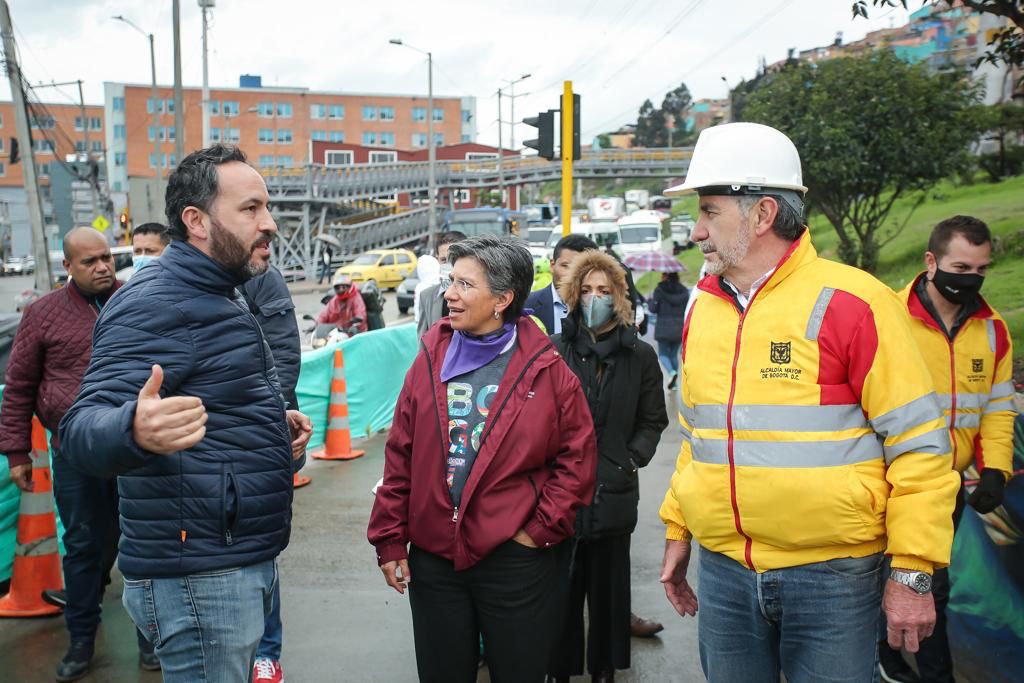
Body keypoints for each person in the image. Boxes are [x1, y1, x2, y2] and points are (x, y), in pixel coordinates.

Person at [657, 122, 961, 682]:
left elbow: (920, 448)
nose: (696, 231)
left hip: (833, 579)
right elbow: (697, 437)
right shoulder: (705, 308)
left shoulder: (854, 303)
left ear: (763, 214)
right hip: (725, 573)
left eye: (708, 211)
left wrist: (913, 572)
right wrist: (679, 528)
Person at [58, 144, 313, 683]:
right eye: (250, 209)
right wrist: (133, 427)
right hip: (199, 575)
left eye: (266, 207)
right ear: (195, 221)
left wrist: (271, 428)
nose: (268, 223)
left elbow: (214, 396)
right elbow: (81, 429)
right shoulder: (156, 301)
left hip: (231, 558)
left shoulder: (223, 290)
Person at [367, 235, 597, 683]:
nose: (449, 294)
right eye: (451, 281)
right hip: (435, 559)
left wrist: (539, 530)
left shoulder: (547, 369)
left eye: (465, 285)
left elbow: (578, 459)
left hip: (515, 559)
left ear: (502, 299)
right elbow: (401, 454)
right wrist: (390, 538)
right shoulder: (430, 357)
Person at [0, 228, 159, 680]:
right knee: (85, 545)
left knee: (143, 545)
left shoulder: (137, 301)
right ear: (68, 267)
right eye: (89, 262)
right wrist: (15, 453)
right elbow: (20, 388)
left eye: (106, 257)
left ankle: (151, 640)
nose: (103, 267)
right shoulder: (43, 315)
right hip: (74, 451)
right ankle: (81, 642)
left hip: (137, 446)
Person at [878, 215, 1016, 683]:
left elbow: (997, 408)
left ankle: (915, 667)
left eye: (981, 270)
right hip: (889, 479)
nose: (971, 279)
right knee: (896, 579)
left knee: (928, 583)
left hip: (947, 485)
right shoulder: (889, 319)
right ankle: (895, 660)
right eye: (961, 266)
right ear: (931, 261)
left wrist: (995, 469)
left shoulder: (993, 330)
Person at [547, 250, 668, 683]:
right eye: (586, 290)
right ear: (573, 296)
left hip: (614, 493)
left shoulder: (640, 356)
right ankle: (559, 672)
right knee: (560, 593)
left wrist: (630, 458)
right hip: (560, 497)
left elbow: (653, 419)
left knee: (610, 594)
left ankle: (604, 672)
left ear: (619, 296)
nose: (594, 298)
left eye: (604, 290)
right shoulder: (554, 352)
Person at [239, 265, 304, 683]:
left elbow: (283, 352)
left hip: (258, 435)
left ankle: (267, 650)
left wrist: (262, 419)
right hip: (205, 443)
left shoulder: (262, 276)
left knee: (261, 546)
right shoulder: (166, 284)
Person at [526, 234, 598, 335]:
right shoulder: (526, 306)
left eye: (581, 268)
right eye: (565, 266)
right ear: (552, 265)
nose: (571, 274)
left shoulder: (603, 308)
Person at [416, 230, 466, 338]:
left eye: (454, 258)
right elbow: (423, 341)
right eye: (444, 260)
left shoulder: (476, 293)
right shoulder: (426, 296)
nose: (449, 264)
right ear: (437, 260)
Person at [647, 272, 689, 389]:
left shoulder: (659, 290)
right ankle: (674, 384)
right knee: (673, 355)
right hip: (679, 328)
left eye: (663, 275)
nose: (661, 277)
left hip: (663, 328)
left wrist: (650, 301)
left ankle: (672, 373)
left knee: (663, 354)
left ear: (666, 276)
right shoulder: (684, 291)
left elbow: (653, 309)